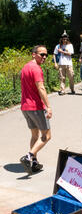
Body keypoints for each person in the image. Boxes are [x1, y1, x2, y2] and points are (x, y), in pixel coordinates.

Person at [19, 45, 52, 175]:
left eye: (46, 55)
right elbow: (41, 88)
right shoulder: (36, 69)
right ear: (33, 54)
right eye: (41, 54)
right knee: (47, 136)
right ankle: (29, 156)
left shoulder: (25, 67)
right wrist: (48, 106)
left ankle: (34, 163)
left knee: (34, 135)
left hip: (25, 107)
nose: (44, 57)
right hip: (36, 107)